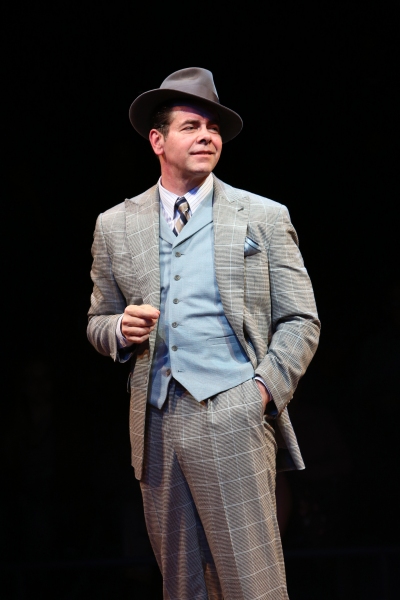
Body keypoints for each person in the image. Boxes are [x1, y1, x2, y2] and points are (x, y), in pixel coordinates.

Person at [87, 67, 320, 600]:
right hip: (156, 422)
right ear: (157, 140)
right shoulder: (115, 225)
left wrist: (258, 393)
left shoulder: (261, 216)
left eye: (212, 128)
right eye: (191, 126)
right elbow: (98, 319)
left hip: (232, 412)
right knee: (181, 586)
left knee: (250, 584)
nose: (207, 136)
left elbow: (301, 320)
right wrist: (118, 329)